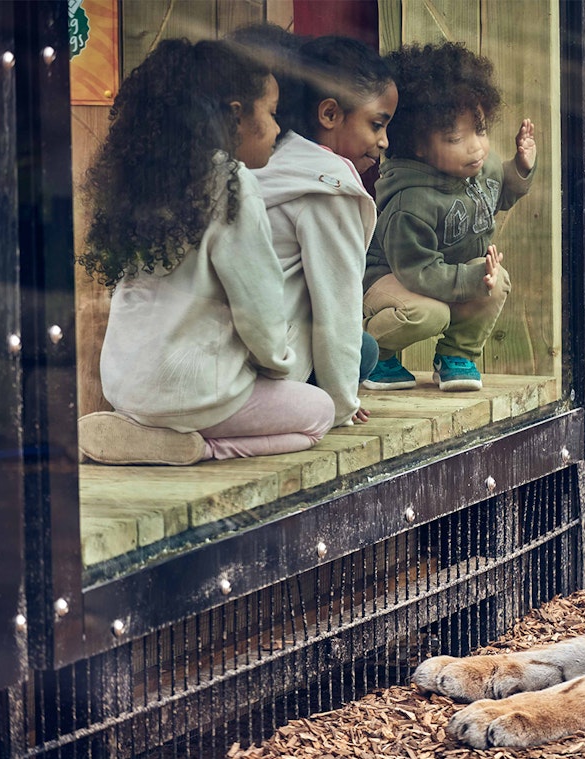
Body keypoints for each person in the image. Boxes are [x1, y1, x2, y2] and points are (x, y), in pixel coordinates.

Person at [76, 38, 335, 465]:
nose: (276, 131)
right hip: (199, 396)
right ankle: (200, 447)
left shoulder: (147, 181)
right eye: (270, 114)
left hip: (126, 388)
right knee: (318, 413)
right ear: (236, 115)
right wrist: (279, 366)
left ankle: (147, 432)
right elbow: (258, 306)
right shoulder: (231, 183)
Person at [362, 41, 537, 392]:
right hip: (392, 280)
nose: (476, 147)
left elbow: (495, 194)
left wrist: (520, 168)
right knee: (431, 313)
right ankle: (372, 354)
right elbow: (418, 273)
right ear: (418, 145)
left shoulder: (475, 168)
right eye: (456, 138)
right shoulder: (409, 203)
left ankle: (456, 355)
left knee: (496, 279)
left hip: (441, 276)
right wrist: (471, 280)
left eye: (481, 130)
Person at [249, 33, 397, 425]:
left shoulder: (272, 157)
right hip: (266, 365)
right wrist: (342, 403)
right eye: (377, 124)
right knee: (363, 351)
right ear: (330, 114)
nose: (383, 141)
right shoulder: (330, 188)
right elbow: (337, 306)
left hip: (225, 355)